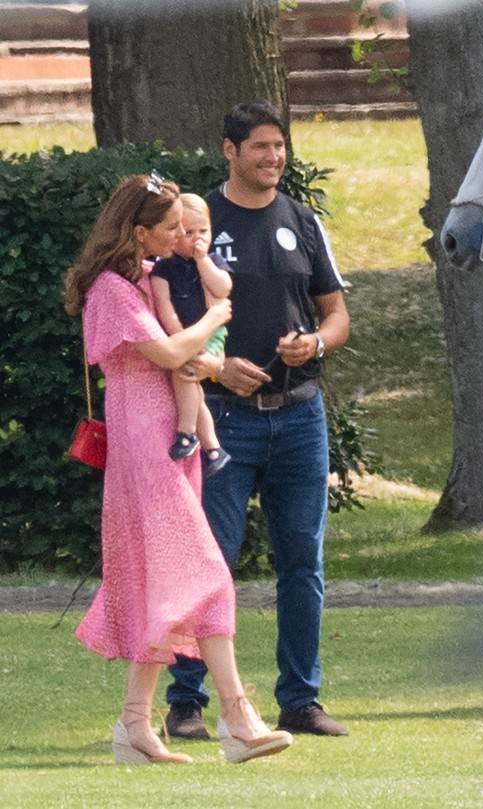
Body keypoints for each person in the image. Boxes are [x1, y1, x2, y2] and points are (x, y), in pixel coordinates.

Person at [64, 173, 293, 764]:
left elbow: (179, 355)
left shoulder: (143, 278)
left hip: (168, 434)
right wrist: (218, 319)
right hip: (146, 444)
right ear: (138, 231)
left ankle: (135, 727)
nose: (181, 235)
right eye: (170, 227)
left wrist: (211, 351)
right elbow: (168, 353)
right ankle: (237, 718)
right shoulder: (113, 289)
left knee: (163, 582)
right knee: (206, 573)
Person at [165, 100, 351, 738]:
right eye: (261, 148)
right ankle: (186, 703)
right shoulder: (194, 223)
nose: (273, 158)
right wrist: (220, 368)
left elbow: (337, 316)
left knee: (303, 559)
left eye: (280, 147)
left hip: (301, 418)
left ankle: (300, 700)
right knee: (209, 558)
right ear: (229, 150)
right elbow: (164, 323)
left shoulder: (302, 219)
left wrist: (316, 345)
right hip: (221, 418)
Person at [151, 193, 233, 474]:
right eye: (188, 232)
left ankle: (188, 433)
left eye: (204, 231)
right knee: (190, 385)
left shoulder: (213, 261)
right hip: (185, 338)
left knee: (184, 377)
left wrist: (202, 261)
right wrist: (181, 339)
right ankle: (212, 448)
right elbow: (165, 307)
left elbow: (223, 289)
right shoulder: (163, 268)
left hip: (212, 337)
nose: (197, 238)